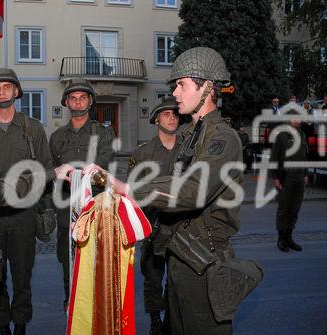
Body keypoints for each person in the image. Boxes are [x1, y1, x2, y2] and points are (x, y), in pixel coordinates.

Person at [85, 47, 243, 334]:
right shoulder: (187, 137)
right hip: (180, 257)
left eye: (181, 85)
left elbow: (191, 191)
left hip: (205, 262)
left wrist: (126, 187)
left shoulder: (223, 139)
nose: (176, 94)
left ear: (207, 88)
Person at [0, 67, 54, 335]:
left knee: (22, 277)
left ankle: (20, 325)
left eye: (7, 87)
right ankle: (2, 325)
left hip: (24, 217)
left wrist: (46, 210)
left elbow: (45, 171)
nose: (1, 92)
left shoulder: (32, 129)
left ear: (16, 92)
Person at [48, 79, 114, 311]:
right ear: (66, 102)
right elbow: (53, 178)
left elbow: (104, 167)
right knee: (68, 263)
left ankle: (97, 311)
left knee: (98, 264)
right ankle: (72, 305)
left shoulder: (104, 134)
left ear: (91, 101)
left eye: (83, 97)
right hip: (67, 214)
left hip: (96, 211)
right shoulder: (56, 138)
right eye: (73, 98)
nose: (78, 102)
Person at [128, 96, 185, 335]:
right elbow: (132, 191)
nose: (171, 117)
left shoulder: (189, 149)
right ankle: (154, 319)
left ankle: (172, 316)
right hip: (153, 225)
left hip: (182, 226)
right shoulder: (143, 153)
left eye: (174, 113)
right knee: (152, 277)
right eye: (165, 114)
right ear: (155, 119)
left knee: (178, 277)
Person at [271, 112, 308, 252]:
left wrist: (306, 174)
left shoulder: (302, 135)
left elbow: (305, 156)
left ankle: (289, 237)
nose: (297, 120)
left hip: (299, 177)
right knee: (283, 209)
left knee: (294, 208)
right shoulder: (281, 136)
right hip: (286, 177)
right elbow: (274, 158)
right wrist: (275, 177)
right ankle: (281, 239)